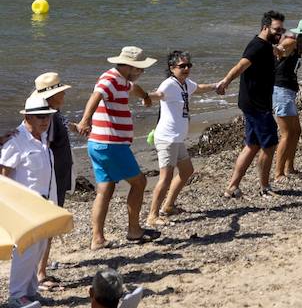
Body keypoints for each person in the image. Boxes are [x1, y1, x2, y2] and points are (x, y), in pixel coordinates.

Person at [74, 46, 160, 248]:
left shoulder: (123, 80)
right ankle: (134, 231)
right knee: (139, 183)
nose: (142, 72)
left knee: (105, 189)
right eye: (139, 68)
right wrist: (85, 121)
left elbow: (133, 88)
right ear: (129, 66)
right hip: (111, 143)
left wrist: (145, 96)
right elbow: (96, 95)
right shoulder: (110, 79)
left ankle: (97, 239)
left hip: (99, 144)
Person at [213, 12, 286, 198]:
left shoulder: (264, 45)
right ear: (265, 28)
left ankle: (232, 187)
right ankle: (265, 187)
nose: (280, 33)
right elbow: (241, 65)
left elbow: (268, 49)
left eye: (282, 30)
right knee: (269, 146)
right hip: (257, 104)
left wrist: (276, 49)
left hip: (253, 102)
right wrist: (226, 81)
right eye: (277, 29)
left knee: (252, 145)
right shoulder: (257, 46)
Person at [145, 51, 215, 226]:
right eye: (181, 66)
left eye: (188, 65)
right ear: (172, 68)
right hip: (167, 139)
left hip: (177, 138)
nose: (186, 69)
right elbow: (158, 94)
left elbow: (198, 88)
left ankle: (168, 206)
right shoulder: (169, 84)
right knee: (166, 178)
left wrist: (217, 85)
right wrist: (146, 97)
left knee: (186, 171)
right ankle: (152, 216)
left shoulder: (185, 84)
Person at [2, 95, 58, 306]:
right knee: (24, 250)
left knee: (39, 248)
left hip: (44, 204)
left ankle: (31, 291)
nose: (44, 121)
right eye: (39, 117)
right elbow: (5, 175)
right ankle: (16, 295)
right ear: (27, 117)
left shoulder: (41, 138)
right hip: (24, 206)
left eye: (47, 117)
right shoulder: (16, 140)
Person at [32, 72, 72, 293]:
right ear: (51, 96)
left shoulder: (52, 115)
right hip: (52, 178)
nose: (64, 94)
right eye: (60, 91)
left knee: (48, 225)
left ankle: (40, 271)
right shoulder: (49, 117)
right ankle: (40, 274)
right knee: (48, 225)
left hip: (55, 175)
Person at [272, 17, 302, 182]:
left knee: (296, 132)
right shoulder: (291, 42)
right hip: (280, 90)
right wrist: (277, 50)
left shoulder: (299, 47)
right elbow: (277, 49)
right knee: (286, 134)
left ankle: (289, 168)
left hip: (288, 90)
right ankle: (278, 174)